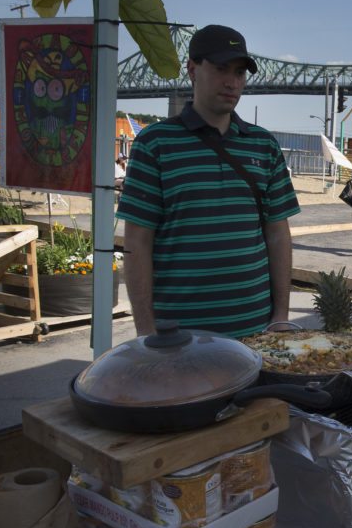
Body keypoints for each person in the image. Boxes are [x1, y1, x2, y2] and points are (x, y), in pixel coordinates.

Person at [117, 24, 300, 339]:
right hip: (179, 337)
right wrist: (146, 332)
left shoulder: (263, 145)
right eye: (220, 69)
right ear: (192, 69)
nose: (232, 82)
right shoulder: (155, 143)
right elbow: (136, 242)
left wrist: (280, 315)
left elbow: (278, 235)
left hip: (256, 335)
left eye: (240, 72)